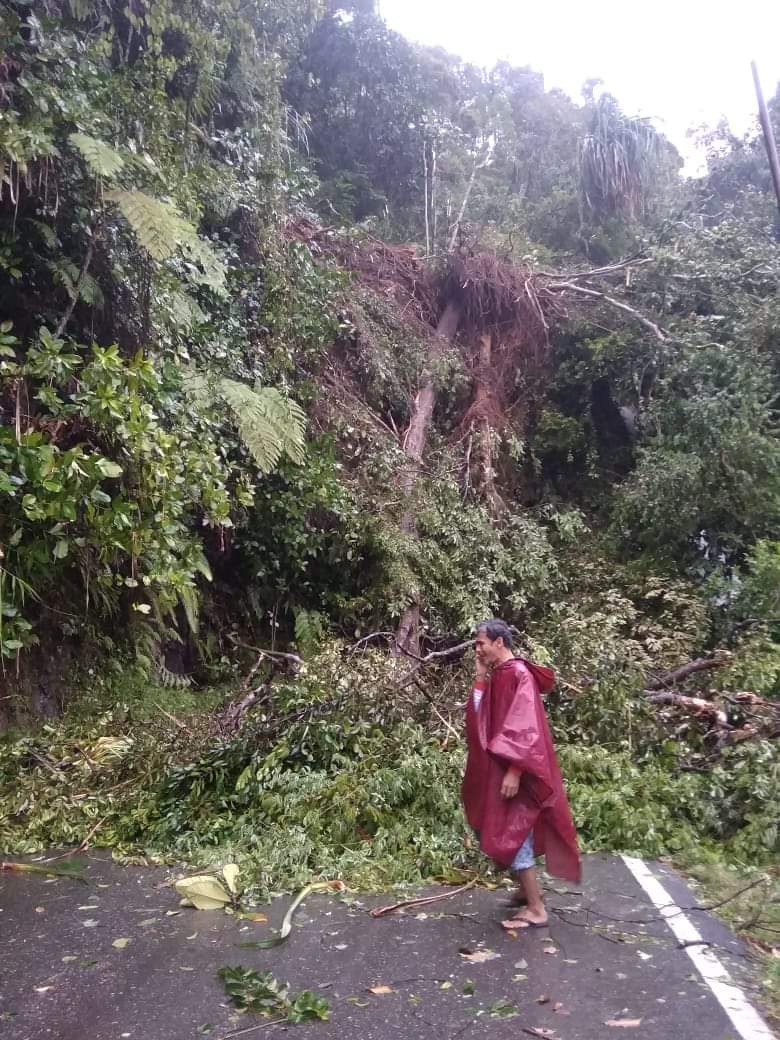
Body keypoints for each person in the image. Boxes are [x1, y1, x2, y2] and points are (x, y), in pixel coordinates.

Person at [461, 618, 581, 929]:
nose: (478, 648)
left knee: (514, 829)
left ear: (499, 642)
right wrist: (479, 674)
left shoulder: (519, 675)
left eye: (481, 643)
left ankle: (537, 908)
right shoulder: (500, 674)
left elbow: (524, 730)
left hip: (517, 769)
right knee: (510, 826)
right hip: (502, 768)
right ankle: (524, 891)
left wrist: (514, 771)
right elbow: (478, 715)